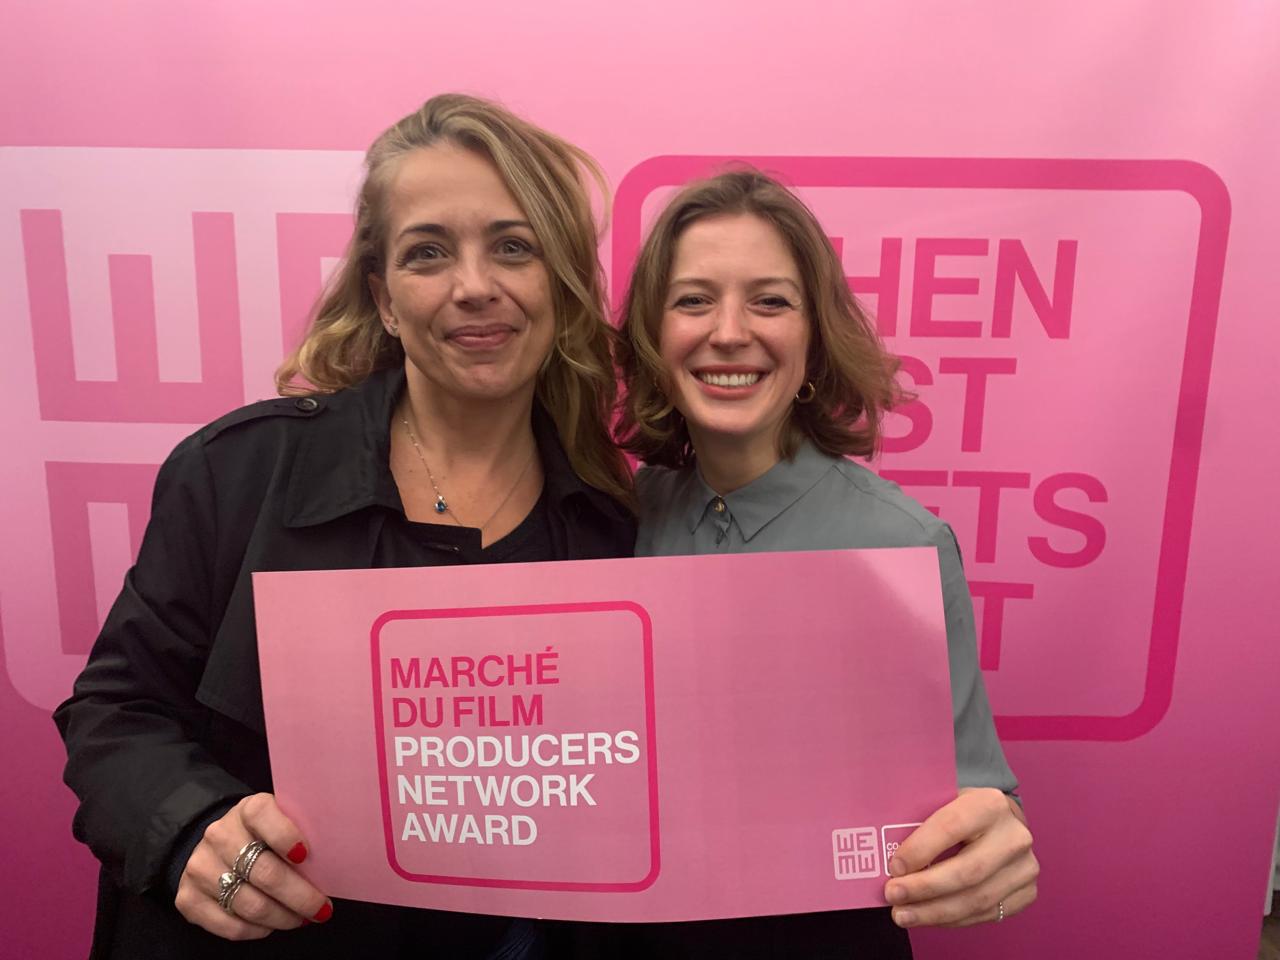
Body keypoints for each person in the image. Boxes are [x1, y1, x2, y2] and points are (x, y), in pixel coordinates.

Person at [53, 93, 635, 959]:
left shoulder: (610, 529)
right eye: (428, 252)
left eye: (514, 247)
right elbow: (115, 710)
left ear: (563, 286)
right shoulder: (236, 473)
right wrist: (187, 828)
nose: (475, 286)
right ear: (384, 298)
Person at [608, 169, 1039, 958]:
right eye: (693, 300)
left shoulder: (902, 546)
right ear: (651, 337)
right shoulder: (615, 521)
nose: (729, 332)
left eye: (770, 301)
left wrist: (992, 854)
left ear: (813, 339)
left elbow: (980, 801)